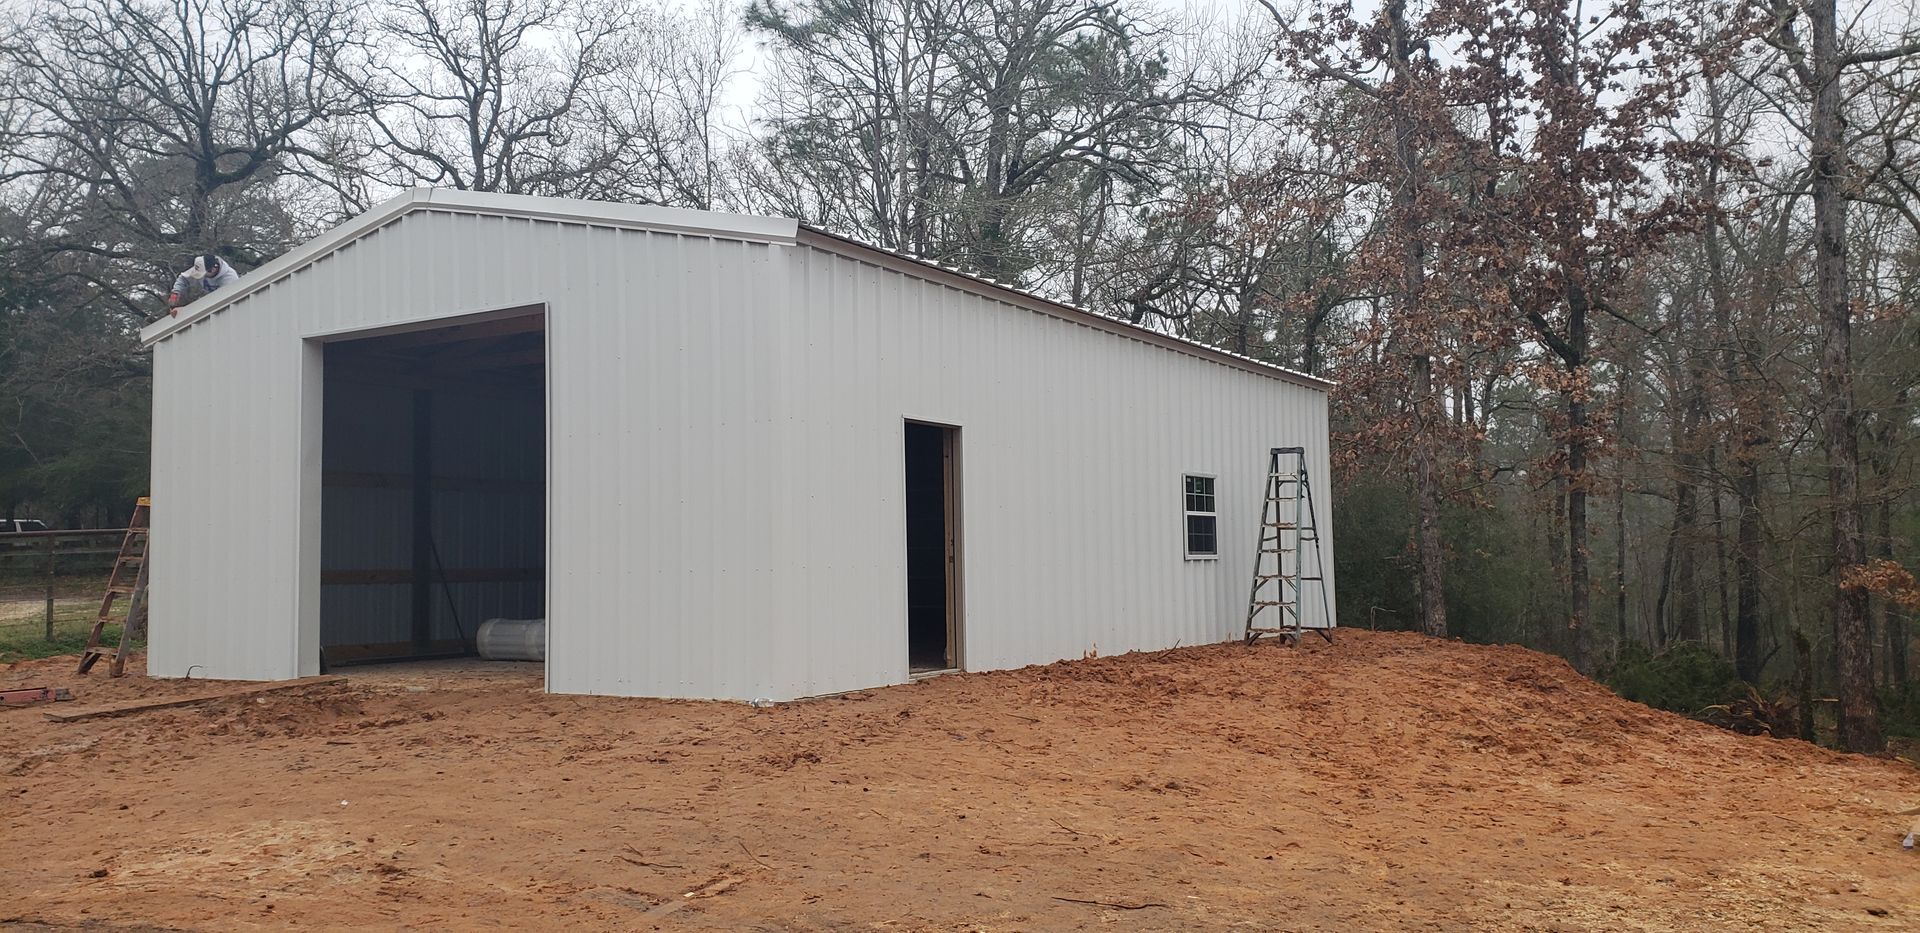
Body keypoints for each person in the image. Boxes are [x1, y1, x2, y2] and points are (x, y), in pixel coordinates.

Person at [168, 254, 240, 314]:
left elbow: (223, 301)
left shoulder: (229, 278)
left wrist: (185, 311)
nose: (202, 277)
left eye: (203, 274)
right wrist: (176, 293)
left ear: (213, 269)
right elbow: (183, 279)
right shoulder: (201, 267)